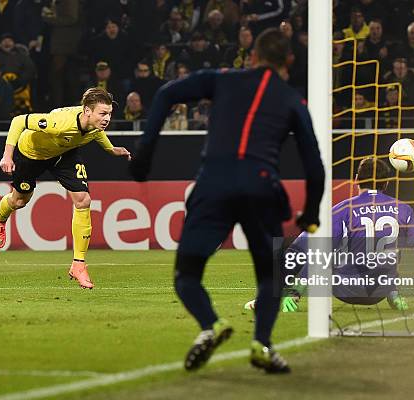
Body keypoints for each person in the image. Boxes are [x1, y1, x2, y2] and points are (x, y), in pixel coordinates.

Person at [129, 28, 325, 374]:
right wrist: (310, 213)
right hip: (261, 187)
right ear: (289, 62)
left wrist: (144, 155)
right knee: (271, 277)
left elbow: (164, 94)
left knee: (186, 276)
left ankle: (211, 325)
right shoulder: (294, 101)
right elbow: (314, 164)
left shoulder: (222, 79)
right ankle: (262, 344)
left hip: (213, 184)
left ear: (252, 56)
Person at [244, 158, 414, 312]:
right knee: (393, 253)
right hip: (379, 292)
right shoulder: (404, 209)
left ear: (357, 179)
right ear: (386, 183)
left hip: (346, 290)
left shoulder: (343, 208)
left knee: (303, 245)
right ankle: (394, 294)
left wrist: (297, 291)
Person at [0, 87, 131, 289]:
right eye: (103, 113)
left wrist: (111, 149)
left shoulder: (93, 124)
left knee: (83, 199)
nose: (107, 118)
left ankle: (78, 264)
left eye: (109, 113)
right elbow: (19, 121)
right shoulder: (60, 123)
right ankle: (0, 215)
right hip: (31, 154)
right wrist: (7, 156)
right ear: (87, 111)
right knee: (20, 200)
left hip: (63, 155)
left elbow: (95, 134)